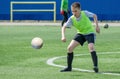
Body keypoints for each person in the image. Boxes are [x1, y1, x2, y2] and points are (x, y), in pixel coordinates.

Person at [60, 2, 100, 73]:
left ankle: (95, 66)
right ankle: (69, 67)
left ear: (79, 10)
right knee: (69, 48)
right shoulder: (72, 18)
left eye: (75, 11)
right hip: (81, 34)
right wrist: (63, 36)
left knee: (91, 47)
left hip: (89, 33)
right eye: (72, 11)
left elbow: (94, 16)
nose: (74, 13)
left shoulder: (84, 13)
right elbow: (64, 27)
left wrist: (97, 26)